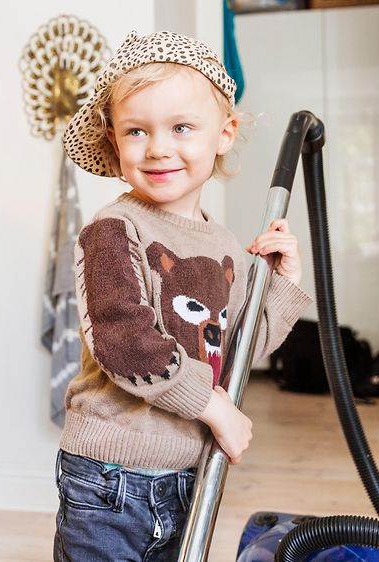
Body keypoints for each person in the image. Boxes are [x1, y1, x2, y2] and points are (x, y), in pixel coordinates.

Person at [54, 30, 312, 562]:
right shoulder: (113, 230)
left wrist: (282, 285)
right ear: (112, 140)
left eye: (181, 127)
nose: (158, 148)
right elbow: (125, 341)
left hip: (185, 473)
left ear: (224, 133)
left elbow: (236, 350)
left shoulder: (221, 247)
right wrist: (213, 407)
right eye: (136, 131)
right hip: (109, 481)